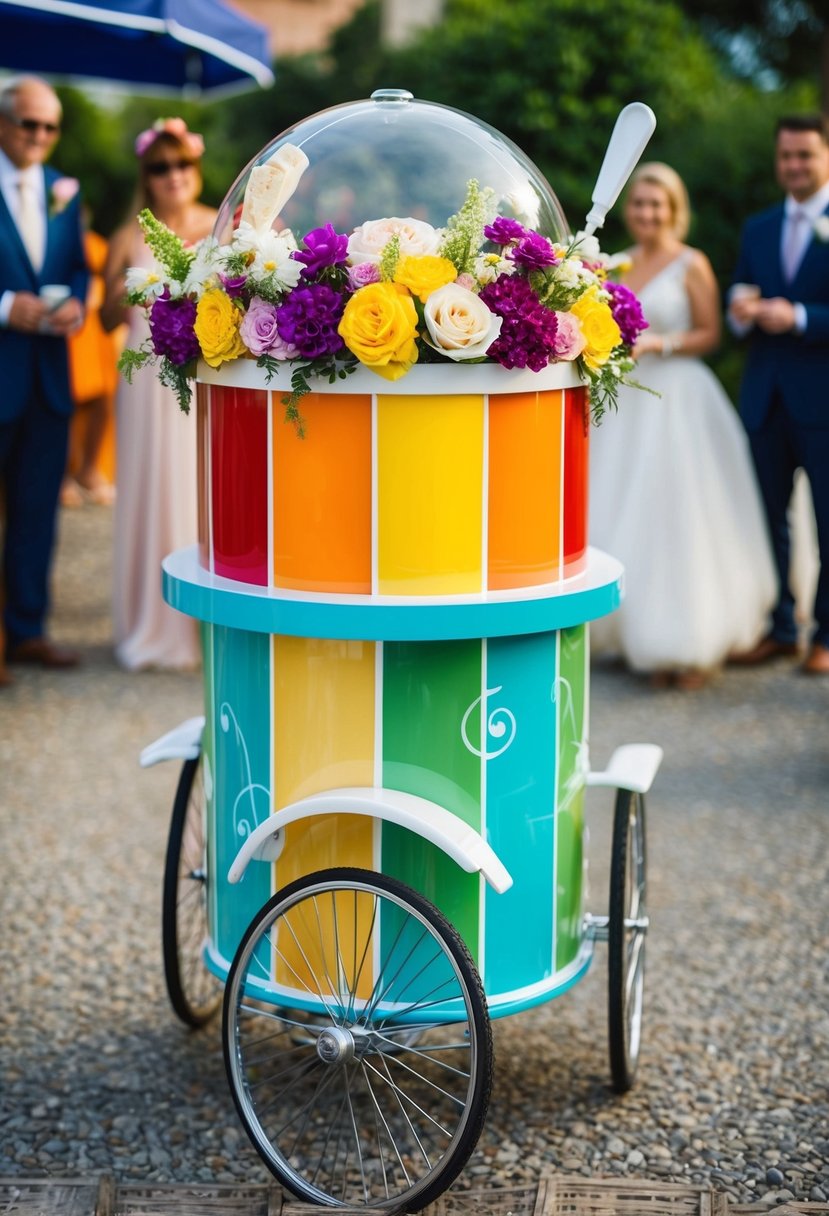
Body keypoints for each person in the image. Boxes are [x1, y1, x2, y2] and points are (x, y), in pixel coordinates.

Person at [589, 162, 776, 689]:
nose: (648, 213)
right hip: (627, 398)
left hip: (679, 397)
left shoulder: (692, 263)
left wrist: (660, 344)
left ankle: (688, 643)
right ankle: (629, 631)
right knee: (624, 506)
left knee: (679, 514)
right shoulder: (617, 265)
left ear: (674, 210)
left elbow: (711, 333)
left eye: (658, 204)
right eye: (640, 204)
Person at [102, 118, 216, 671]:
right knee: (150, 491)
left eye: (181, 164)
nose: (173, 176)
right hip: (145, 383)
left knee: (204, 491)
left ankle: (205, 627)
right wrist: (117, 290)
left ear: (196, 168)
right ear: (145, 177)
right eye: (160, 167)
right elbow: (103, 319)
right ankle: (151, 622)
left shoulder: (225, 227)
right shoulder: (126, 238)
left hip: (202, 378)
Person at [727, 115, 829, 676]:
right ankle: (783, 626)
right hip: (765, 396)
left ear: (825, 157)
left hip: (823, 400)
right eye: (786, 156)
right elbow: (742, 286)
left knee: (828, 520)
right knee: (768, 520)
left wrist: (801, 316)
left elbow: (803, 310)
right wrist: (740, 310)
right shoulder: (759, 227)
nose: (794, 166)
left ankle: (825, 637)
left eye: (805, 156)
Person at [0, 76, 88, 686]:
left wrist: (76, 304)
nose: (39, 136)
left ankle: (27, 630)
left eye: (49, 127)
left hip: (49, 379)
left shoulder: (65, 191)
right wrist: (6, 306)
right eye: (29, 124)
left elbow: (77, 267)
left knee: (36, 512)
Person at [61, 222, 120, 507]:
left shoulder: (97, 245)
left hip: (95, 334)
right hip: (69, 335)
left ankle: (89, 468)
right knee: (67, 406)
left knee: (102, 402)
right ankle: (65, 475)